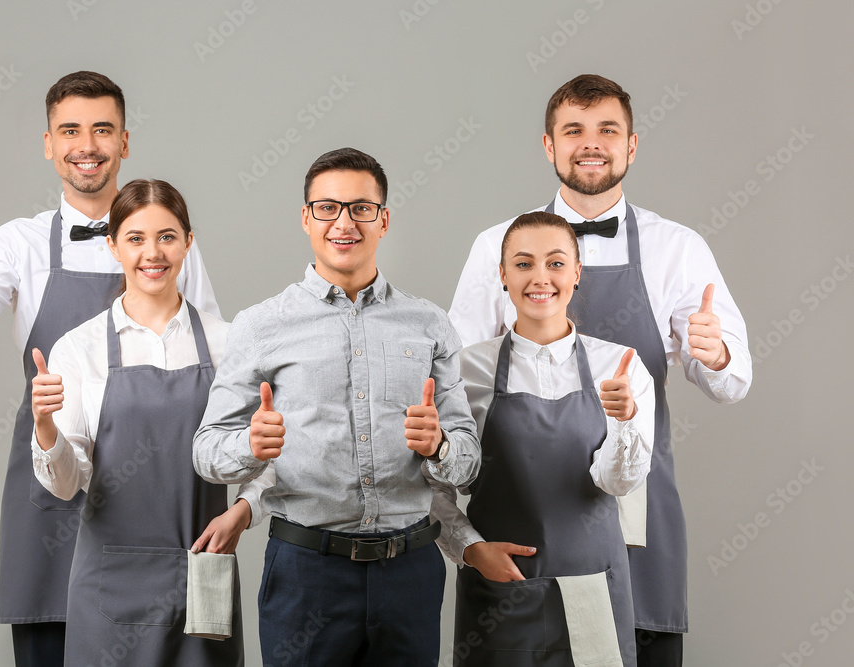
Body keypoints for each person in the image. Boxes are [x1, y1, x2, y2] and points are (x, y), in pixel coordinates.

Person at [448, 74, 752, 665]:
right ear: (548, 145)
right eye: (574, 131)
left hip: (641, 499)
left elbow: (733, 381)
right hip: (530, 516)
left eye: (607, 130)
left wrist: (713, 352)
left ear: (631, 145)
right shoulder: (497, 246)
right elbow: (457, 375)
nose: (591, 144)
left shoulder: (677, 247)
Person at [0, 71, 220, 666]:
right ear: (48, 143)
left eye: (102, 129)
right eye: (70, 130)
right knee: (48, 645)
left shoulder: (162, 240)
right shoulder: (20, 241)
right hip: (53, 472)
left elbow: (213, 357)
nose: (86, 145)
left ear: (123, 142)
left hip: (157, 495)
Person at [193, 147, 480, 666]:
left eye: (360, 208)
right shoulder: (261, 326)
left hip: (410, 575)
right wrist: (249, 447)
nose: (343, 222)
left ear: (383, 219)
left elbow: (468, 459)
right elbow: (207, 450)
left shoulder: (429, 324)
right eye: (327, 208)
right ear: (306, 218)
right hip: (306, 575)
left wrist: (439, 445)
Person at [30, 179, 245, 665]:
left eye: (167, 236)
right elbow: (66, 486)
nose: (153, 253)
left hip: (202, 572)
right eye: (135, 238)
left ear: (189, 242)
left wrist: (244, 510)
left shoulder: (227, 344)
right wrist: (45, 426)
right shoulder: (78, 348)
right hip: (110, 584)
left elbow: (263, 454)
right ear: (113, 246)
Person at [432, 212, 653, 666]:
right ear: (503, 276)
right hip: (503, 591)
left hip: (594, 582)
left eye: (555, 263)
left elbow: (618, 484)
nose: (540, 278)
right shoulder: (463, 372)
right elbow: (429, 488)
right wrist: (471, 550)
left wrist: (625, 419)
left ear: (576, 273)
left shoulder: (622, 368)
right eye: (523, 264)